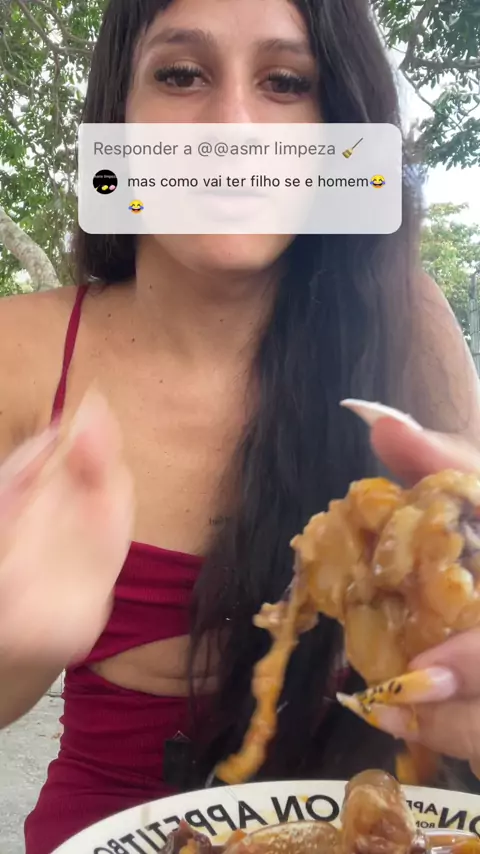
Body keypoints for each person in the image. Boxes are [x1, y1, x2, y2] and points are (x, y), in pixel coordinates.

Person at [0, 0, 480, 851]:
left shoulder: (407, 325)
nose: (233, 128)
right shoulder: (21, 349)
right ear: (118, 118)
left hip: (374, 825)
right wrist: (19, 638)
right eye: (181, 74)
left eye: (286, 83)